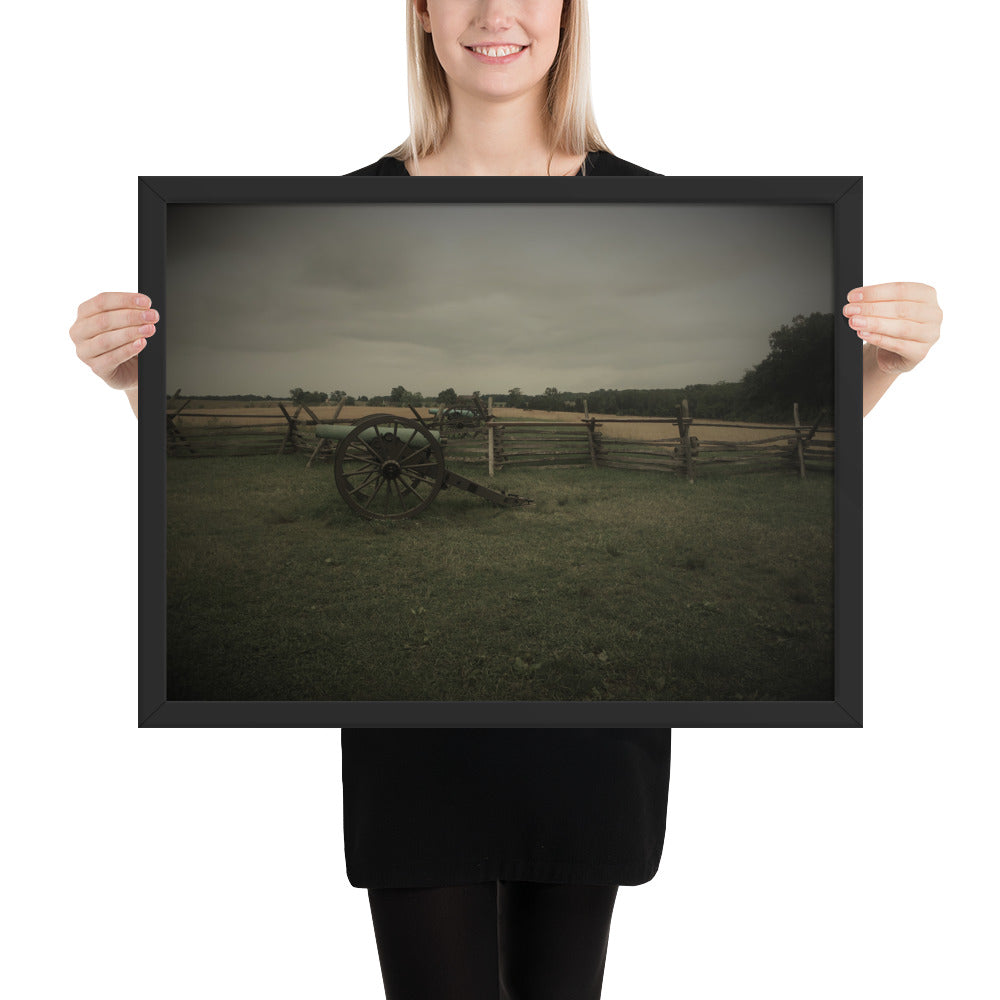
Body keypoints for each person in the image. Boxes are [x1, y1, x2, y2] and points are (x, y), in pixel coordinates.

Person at [68, 2, 942, 998]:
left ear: (569, 16)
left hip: (589, 749)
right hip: (413, 747)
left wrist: (881, 369)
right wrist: (134, 382)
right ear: (423, 15)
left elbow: (828, 450)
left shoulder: (648, 206)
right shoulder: (347, 206)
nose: (496, 13)